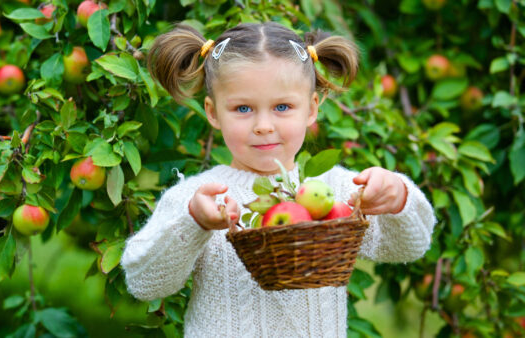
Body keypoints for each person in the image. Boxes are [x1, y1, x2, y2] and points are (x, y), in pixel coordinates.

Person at [121, 22, 436, 337]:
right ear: (213, 112)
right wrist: (194, 223)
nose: (263, 125)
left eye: (282, 107)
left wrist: (398, 198)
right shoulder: (203, 199)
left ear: (311, 108)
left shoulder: (334, 192)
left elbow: (409, 245)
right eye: (243, 108)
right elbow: (144, 281)